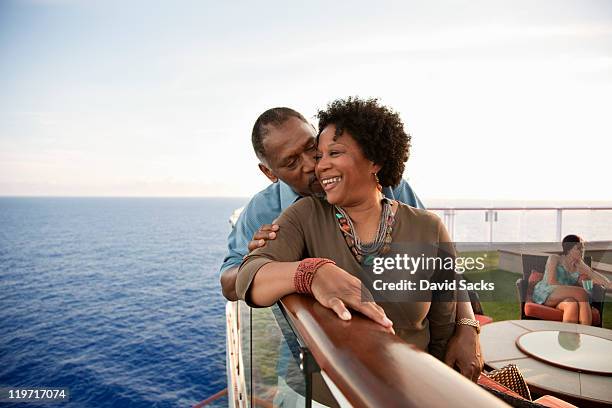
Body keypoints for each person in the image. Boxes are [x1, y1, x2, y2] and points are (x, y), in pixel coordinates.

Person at [220, 105, 482, 379]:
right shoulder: (270, 212)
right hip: (314, 359)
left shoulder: (388, 187)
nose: (312, 165)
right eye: (291, 162)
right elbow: (231, 280)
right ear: (269, 172)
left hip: (410, 368)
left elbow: (439, 264)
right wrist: (290, 268)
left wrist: (467, 326)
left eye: (313, 148)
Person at [532, 234, 608, 325]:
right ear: (569, 250)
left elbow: (603, 282)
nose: (582, 251)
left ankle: (568, 338)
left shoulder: (580, 267)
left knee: (572, 304)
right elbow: (551, 281)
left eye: (583, 248)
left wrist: (588, 270)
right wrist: (573, 291)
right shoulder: (555, 258)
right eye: (578, 248)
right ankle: (586, 334)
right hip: (547, 293)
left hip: (566, 298)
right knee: (581, 293)